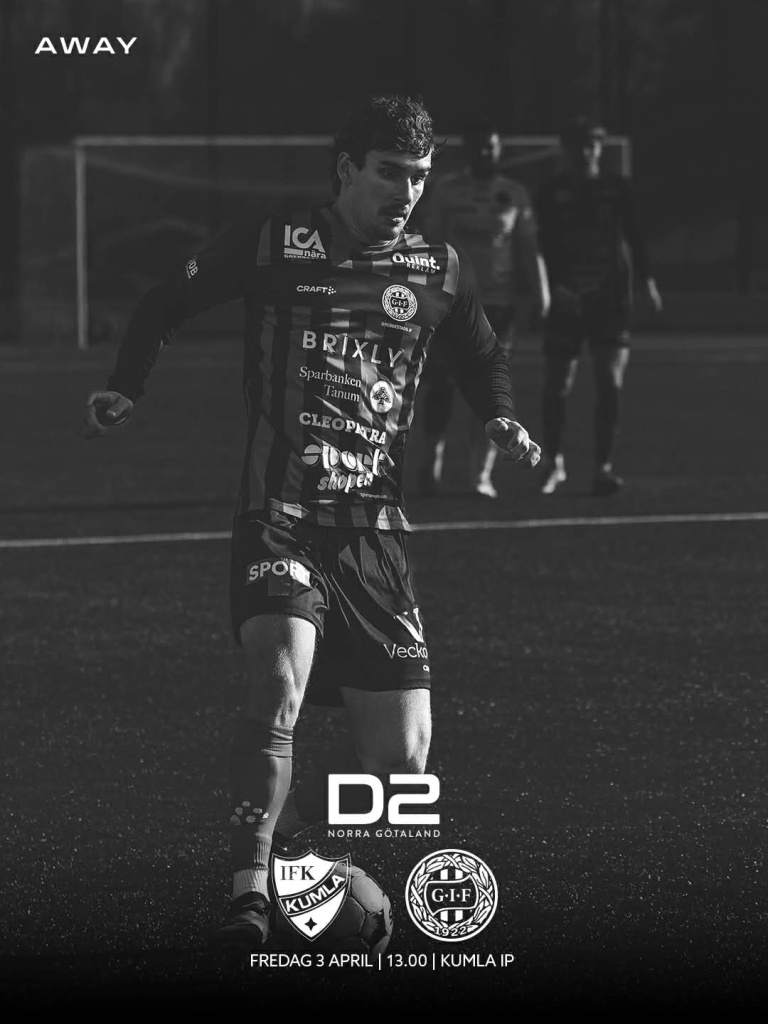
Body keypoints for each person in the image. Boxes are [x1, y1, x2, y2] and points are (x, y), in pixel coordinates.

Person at [81, 94, 541, 952]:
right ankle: (249, 897)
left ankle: (297, 843)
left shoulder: (438, 268)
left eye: (419, 176)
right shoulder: (275, 242)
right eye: (390, 172)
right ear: (346, 169)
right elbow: (164, 301)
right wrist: (125, 385)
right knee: (276, 688)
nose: (406, 191)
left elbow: (482, 354)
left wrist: (501, 416)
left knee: (403, 766)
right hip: (281, 517)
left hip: (375, 537)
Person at [418, 123, 550, 498]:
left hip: (497, 305)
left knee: (490, 387)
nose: (485, 152)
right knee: (439, 386)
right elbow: (428, 243)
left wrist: (541, 293)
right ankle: (430, 464)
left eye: (491, 146)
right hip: (449, 302)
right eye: (479, 146)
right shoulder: (446, 190)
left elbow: (528, 247)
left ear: (500, 149)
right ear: (468, 149)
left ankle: (480, 475)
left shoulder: (515, 194)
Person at [536, 115, 662, 495]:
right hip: (567, 298)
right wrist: (548, 290)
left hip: (610, 300)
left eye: (591, 144)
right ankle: (553, 462)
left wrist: (647, 282)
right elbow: (540, 246)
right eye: (578, 144)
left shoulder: (616, 188)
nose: (585, 151)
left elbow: (635, 236)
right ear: (565, 149)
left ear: (599, 148)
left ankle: (602, 467)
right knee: (558, 383)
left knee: (610, 382)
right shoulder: (549, 193)